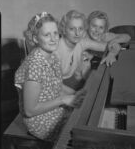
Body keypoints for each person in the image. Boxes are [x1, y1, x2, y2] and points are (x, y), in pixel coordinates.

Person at [14, 11, 83, 142]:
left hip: (54, 108)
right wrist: (63, 100)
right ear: (35, 38)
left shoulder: (52, 55)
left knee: (85, 119)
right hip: (41, 121)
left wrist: (76, 94)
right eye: (46, 35)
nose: (53, 39)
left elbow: (55, 85)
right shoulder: (34, 66)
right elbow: (30, 111)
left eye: (55, 33)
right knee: (83, 134)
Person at [55, 10, 109, 90]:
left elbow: (112, 46)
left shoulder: (82, 42)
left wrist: (112, 54)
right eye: (72, 29)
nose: (77, 33)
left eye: (80, 29)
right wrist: (75, 95)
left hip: (72, 82)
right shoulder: (56, 50)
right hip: (56, 88)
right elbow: (50, 83)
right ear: (64, 29)